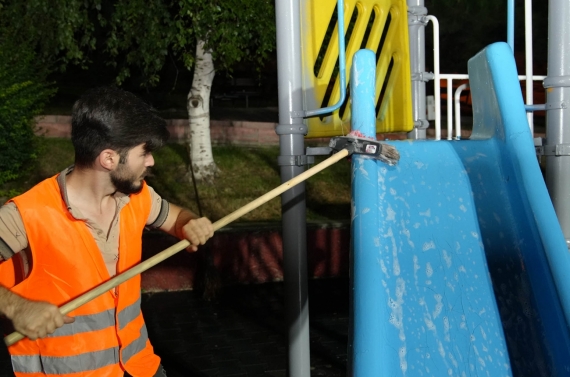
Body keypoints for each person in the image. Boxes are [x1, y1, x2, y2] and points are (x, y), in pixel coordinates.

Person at [0, 86, 214, 377]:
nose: (151, 161)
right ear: (109, 159)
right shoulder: (27, 214)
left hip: (139, 367)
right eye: (144, 152)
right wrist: (17, 307)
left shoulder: (138, 197)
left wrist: (189, 223)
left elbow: (177, 218)